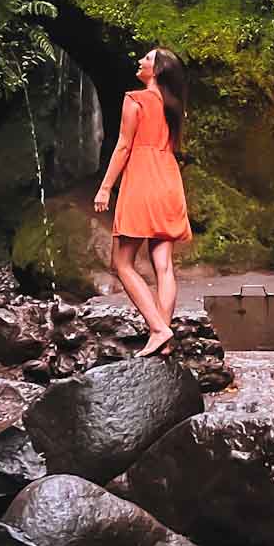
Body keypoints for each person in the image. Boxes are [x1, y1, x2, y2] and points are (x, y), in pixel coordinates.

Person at [93, 46, 191, 357]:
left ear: (158, 70)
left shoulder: (136, 99)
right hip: (169, 181)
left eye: (147, 58)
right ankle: (165, 339)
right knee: (163, 266)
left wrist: (106, 188)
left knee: (122, 263)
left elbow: (123, 147)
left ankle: (158, 327)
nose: (140, 61)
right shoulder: (175, 107)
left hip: (142, 179)